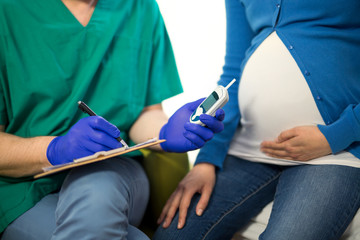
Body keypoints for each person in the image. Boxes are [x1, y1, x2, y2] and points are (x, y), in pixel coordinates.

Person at [0, 0, 225, 239]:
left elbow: (145, 112)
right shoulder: (7, 10)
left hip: (114, 171)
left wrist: (165, 132)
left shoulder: (140, 7)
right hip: (20, 187)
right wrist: (55, 149)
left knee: (98, 190)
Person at [153, 0, 360, 239]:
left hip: (334, 152)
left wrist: (336, 135)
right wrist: (206, 160)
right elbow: (233, 72)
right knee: (173, 236)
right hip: (248, 148)